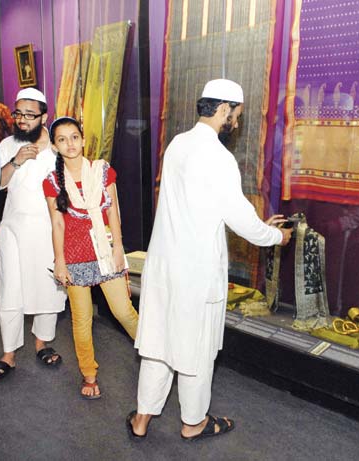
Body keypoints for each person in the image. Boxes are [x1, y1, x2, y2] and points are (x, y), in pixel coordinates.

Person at [128, 79, 293, 441]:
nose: (235, 121)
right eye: (235, 114)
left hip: (164, 265)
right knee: (196, 350)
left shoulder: (177, 144)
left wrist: (257, 225)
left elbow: (202, 206)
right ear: (222, 110)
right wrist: (275, 236)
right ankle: (194, 422)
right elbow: (239, 218)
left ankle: (142, 418)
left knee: (159, 343)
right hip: (197, 271)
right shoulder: (219, 157)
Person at [43, 116, 139, 399]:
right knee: (82, 319)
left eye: (74, 137)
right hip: (74, 256)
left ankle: (155, 354)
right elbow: (57, 224)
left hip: (105, 252)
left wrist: (119, 247)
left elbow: (112, 212)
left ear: (83, 139)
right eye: (62, 139)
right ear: (54, 146)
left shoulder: (103, 171)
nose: (70, 144)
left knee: (124, 312)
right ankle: (89, 373)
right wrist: (59, 260)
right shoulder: (51, 182)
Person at [0, 88, 67, 384]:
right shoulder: (7, 145)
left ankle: (42, 342)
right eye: (17, 114)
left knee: (49, 288)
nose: (21, 120)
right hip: (14, 231)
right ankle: (8, 353)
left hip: (49, 231)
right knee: (10, 288)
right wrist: (16, 161)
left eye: (28, 115)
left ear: (44, 117)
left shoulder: (58, 146)